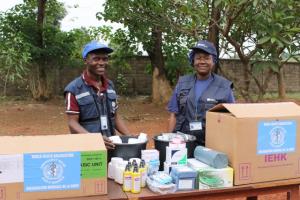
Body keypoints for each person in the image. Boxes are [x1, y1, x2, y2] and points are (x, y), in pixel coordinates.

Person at [64, 40, 130, 149]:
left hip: (110, 145)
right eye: (96, 59)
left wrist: (130, 137)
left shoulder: (110, 86)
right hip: (87, 149)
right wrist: (95, 140)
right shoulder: (74, 89)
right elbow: (72, 123)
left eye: (105, 59)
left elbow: (115, 117)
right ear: (86, 61)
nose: (101, 62)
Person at [167, 40, 235, 146]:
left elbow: (232, 119)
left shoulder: (224, 87)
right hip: (182, 143)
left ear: (213, 61)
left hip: (211, 145)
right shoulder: (182, 83)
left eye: (207, 58)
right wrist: (169, 142)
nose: (202, 62)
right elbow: (173, 115)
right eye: (198, 58)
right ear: (193, 61)